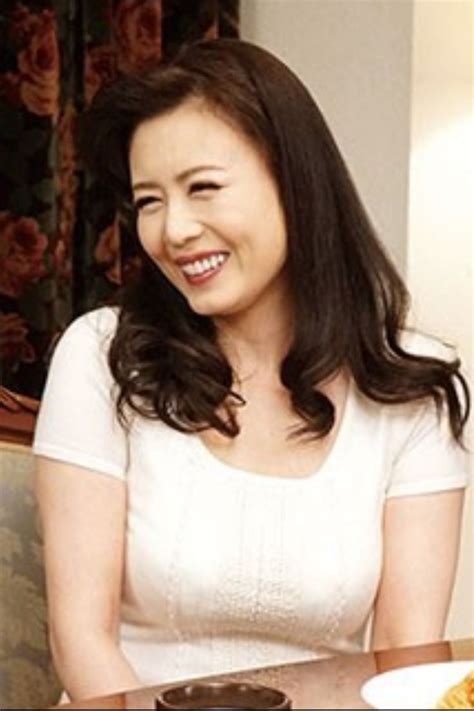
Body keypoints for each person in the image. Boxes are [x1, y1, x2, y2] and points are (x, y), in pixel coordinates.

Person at [33, 38, 470, 702]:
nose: (173, 229)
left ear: (294, 183)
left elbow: (405, 665)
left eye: (202, 187)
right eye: (149, 200)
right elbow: (81, 641)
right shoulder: (100, 357)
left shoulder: (411, 388)